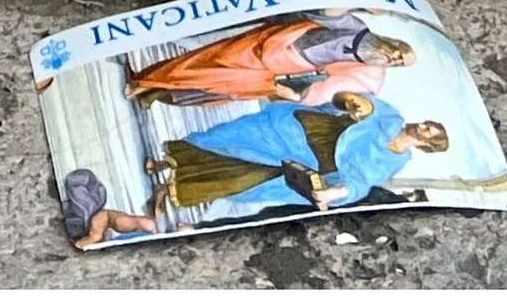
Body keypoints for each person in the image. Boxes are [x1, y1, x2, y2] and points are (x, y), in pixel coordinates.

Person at [149, 93, 454, 221]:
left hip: (312, 166)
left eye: (429, 133)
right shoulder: (390, 116)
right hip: (303, 132)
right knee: (230, 138)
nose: (422, 127)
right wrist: (352, 101)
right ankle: (166, 162)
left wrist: (335, 191)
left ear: (426, 146)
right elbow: (353, 100)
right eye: (427, 124)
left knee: (240, 178)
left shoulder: (397, 161)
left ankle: (168, 190)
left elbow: (361, 182)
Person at [123, 14, 420, 112]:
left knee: (217, 90)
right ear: (394, 44)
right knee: (206, 62)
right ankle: (143, 82)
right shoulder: (358, 28)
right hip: (273, 44)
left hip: (279, 70)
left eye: (399, 64)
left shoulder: (369, 69)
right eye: (398, 53)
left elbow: (335, 87)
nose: (394, 59)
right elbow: (329, 13)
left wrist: (298, 95)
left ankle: (153, 93)